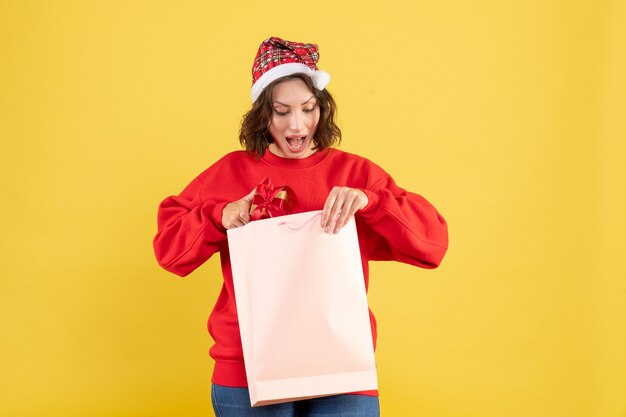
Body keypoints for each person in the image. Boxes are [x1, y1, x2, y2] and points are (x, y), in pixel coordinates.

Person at [153, 37, 448, 417]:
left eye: (308, 109)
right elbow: (169, 251)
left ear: (322, 109)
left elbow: (432, 243)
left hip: (342, 367)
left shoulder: (354, 174)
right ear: (263, 115)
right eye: (282, 112)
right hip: (248, 369)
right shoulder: (231, 173)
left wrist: (371, 202)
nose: (298, 125)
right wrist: (217, 215)